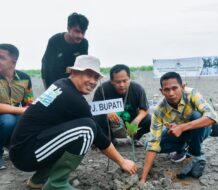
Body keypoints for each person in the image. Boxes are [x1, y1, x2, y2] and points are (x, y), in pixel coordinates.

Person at [9, 55, 137, 190]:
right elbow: (97, 134)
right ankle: (56, 184)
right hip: (26, 155)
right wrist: (122, 162)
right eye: (89, 75)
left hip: (27, 148)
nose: (93, 81)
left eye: (96, 77)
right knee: (86, 130)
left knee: (77, 130)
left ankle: (39, 179)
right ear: (74, 72)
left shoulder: (61, 84)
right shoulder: (70, 96)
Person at [140, 72, 218, 183]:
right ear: (161, 91)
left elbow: (213, 117)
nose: (171, 93)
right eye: (167, 90)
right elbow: (153, 144)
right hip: (179, 135)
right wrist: (143, 179)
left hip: (200, 130)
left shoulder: (191, 94)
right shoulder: (159, 110)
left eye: (174, 88)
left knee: (196, 116)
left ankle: (195, 155)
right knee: (148, 144)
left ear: (182, 87)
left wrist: (182, 127)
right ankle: (181, 149)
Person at [93, 64, 151, 146]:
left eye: (125, 81)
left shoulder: (137, 89)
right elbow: (95, 110)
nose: (122, 85)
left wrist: (136, 121)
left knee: (149, 119)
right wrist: (106, 112)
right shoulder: (102, 89)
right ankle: (110, 140)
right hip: (111, 123)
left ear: (129, 79)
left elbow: (144, 109)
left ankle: (134, 138)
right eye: (118, 82)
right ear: (111, 81)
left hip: (130, 122)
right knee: (96, 120)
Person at [0, 44, 33, 170]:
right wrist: (21, 110)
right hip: (5, 119)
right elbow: (23, 109)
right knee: (9, 120)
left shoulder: (25, 78)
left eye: (1, 58)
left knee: (26, 121)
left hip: (11, 117)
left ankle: (19, 152)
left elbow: (29, 104)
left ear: (13, 62)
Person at [41, 12, 89, 89]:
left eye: (83, 32)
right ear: (68, 28)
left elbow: (82, 67)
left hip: (70, 74)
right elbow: (48, 68)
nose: (80, 35)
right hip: (51, 73)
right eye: (77, 31)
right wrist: (51, 88)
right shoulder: (55, 40)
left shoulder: (84, 43)